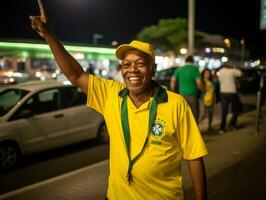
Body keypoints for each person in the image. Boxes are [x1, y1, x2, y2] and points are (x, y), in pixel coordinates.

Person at [29, 1, 208, 199]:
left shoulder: (175, 104)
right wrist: (49, 35)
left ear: (153, 70)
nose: (133, 70)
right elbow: (76, 75)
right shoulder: (111, 94)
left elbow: (194, 157)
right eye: (127, 64)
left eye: (141, 64)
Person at [170, 55, 204, 122]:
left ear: (185, 61)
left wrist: (173, 91)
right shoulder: (195, 69)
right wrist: (203, 91)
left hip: (181, 95)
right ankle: (193, 130)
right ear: (193, 61)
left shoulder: (179, 69)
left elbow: (173, 81)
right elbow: (199, 83)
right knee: (193, 113)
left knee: (182, 113)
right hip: (192, 94)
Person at [217, 62, 242, 134]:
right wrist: (234, 67)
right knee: (237, 109)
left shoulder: (221, 71)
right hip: (232, 92)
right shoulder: (233, 71)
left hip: (223, 93)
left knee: (224, 111)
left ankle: (222, 128)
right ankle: (232, 124)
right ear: (230, 65)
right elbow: (241, 73)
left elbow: (219, 80)